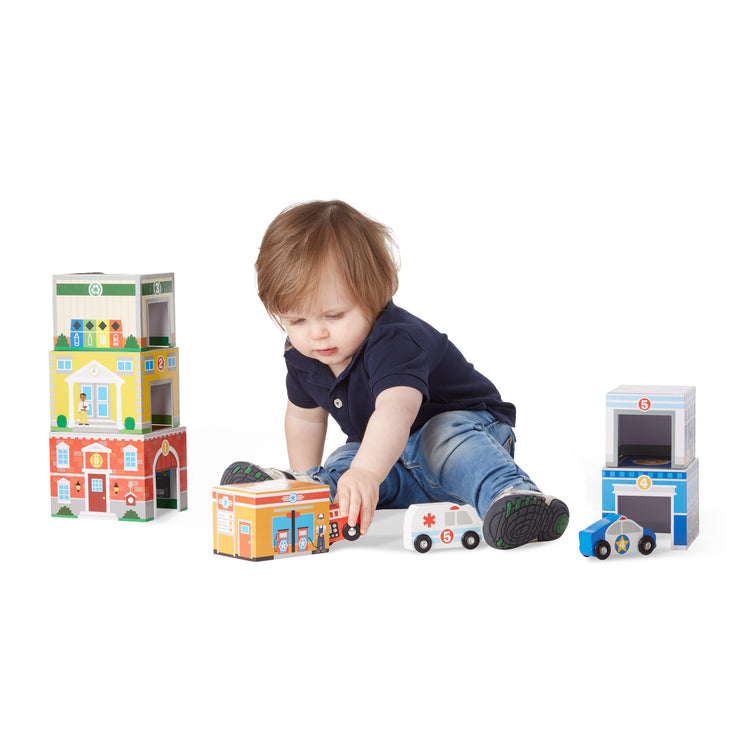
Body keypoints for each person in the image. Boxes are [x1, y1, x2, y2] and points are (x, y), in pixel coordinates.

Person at [222, 200, 568, 550]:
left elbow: (395, 411)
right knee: (344, 461)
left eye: (333, 315)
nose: (316, 334)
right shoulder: (303, 355)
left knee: (438, 436)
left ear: (373, 296)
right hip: (393, 460)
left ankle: (511, 496)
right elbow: (304, 419)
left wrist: (367, 472)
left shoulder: (394, 339)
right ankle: (302, 491)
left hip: (469, 435)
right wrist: (332, 472)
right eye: (297, 320)